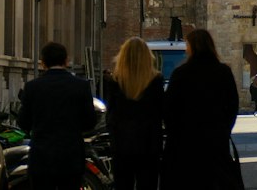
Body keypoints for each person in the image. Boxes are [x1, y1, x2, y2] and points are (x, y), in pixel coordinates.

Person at [161, 27, 239, 190]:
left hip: (185, 142)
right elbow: (232, 105)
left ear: (192, 47)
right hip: (215, 139)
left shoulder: (181, 74)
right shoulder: (223, 72)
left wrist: (174, 132)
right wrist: (224, 130)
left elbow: (169, 108)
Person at [17, 41, 97, 190]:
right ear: (66, 61)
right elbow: (90, 122)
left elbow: (23, 122)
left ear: (43, 63)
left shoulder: (33, 87)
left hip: (42, 157)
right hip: (71, 157)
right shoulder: (81, 86)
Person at [103, 37, 164, 190]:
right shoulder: (155, 81)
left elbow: (110, 115)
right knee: (148, 184)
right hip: (149, 145)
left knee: (123, 184)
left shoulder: (114, 81)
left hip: (122, 145)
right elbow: (161, 112)